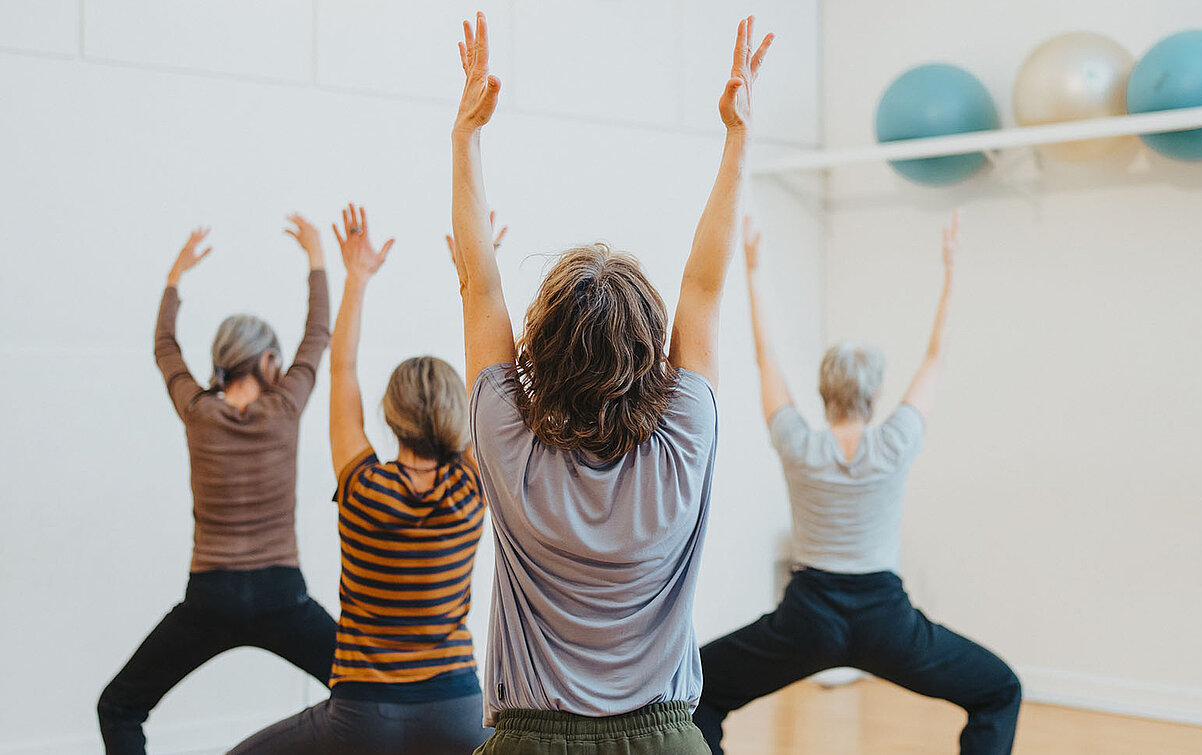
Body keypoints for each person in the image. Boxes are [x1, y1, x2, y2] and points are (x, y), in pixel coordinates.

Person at [444, 12, 771, 755]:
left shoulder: (505, 437)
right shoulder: (686, 435)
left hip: (530, 740)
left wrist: (466, 137)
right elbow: (706, 287)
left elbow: (477, 287)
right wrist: (737, 140)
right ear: (651, 344)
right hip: (664, 741)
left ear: (540, 345)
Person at [691, 213, 1025, 755]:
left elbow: (765, 358)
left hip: (808, 618)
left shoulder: (798, 441)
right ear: (875, 395)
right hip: (886, 621)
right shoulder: (896, 440)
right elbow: (936, 357)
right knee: (999, 690)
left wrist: (753, 269)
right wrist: (951, 268)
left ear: (823, 393)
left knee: (696, 690)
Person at [228, 204, 500, 754]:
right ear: (459, 417)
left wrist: (357, 278)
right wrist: (476, 275)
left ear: (389, 416)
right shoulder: (472, 489)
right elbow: (491, 376)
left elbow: (342, 369)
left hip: (363, 716)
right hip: (459, 714)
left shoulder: (362, 487)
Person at [97, 219, 338, 755]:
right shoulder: (286, 405)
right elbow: (318, 332)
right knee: (369, 697)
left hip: (212, 597)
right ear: (269, 361)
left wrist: (174, 277)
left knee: (119, 708)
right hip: (283, 595)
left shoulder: (197, 410)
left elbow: (165, 347)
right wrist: (317, 255)